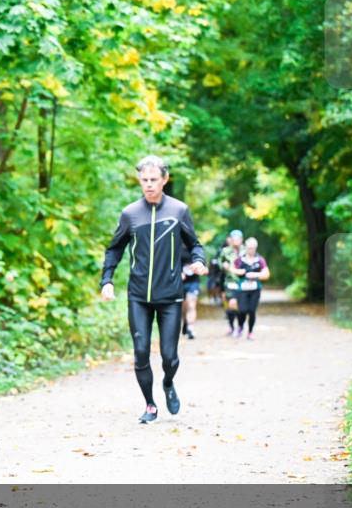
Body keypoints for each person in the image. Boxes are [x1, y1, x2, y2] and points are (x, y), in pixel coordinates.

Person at [100, 155, 207, 423]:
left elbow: (195, 244)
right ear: (139, 180)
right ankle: (149, 405)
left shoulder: (179, 211)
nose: (148, 185)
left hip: (170, 296)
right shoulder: (130, 214)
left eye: (153, 180)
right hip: (138, 296)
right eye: (144, 180)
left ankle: (168, 383)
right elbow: (114, 249)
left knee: (170, 357)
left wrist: (198, 261)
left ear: (164, 179)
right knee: (140, 351)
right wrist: (108, 280)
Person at [231, 237, 270, 340]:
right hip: (242, 289)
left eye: (253, 248)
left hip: (255, 289)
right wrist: (241, 272)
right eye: (249, 248)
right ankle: (240, 326)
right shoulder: (240, 259)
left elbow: (266, 274)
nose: (251, 250)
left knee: (252, 311)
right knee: (242, 310)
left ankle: (250, 332)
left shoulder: (260, 260)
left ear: (256, 248)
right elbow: (232, 269)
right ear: (246, 247)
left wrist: (255, 274)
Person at [218, 230, 244, 335]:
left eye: (238, 239)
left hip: (243, 282)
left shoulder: (246, 250)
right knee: (231, 305)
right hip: (230, 281)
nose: (236, 241)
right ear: (231, 240)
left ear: (242, 240)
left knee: (241, 307)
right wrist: (224, 266)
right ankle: (232, 326)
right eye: (234, 239)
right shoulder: (225, 251)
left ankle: (240, 326)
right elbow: (220, 264)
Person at [181, 260, 200, 339]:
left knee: (191, 305)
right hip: (180, 282)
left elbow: (205, 269)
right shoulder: (177, 248)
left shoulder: (196, 250)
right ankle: (185, 322)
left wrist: (200, 270)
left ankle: (190, 328)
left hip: (193, 283)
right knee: (184, 307)